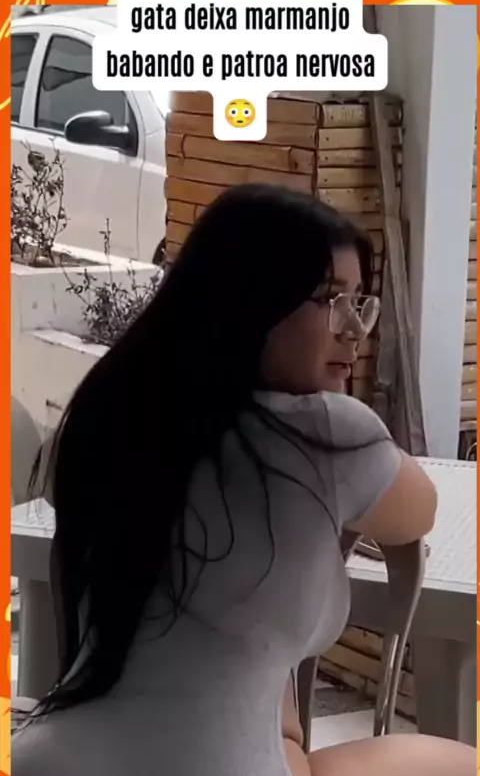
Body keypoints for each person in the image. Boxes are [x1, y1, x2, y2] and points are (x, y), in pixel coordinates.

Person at [12, 184, 475, 776]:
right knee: (458, 762)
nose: (354, 329)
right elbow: (418, 510)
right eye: (330, 300)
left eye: (359, 302)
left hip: (51, 758)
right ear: (251, 300)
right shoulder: (326, 433)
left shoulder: (111, 416)